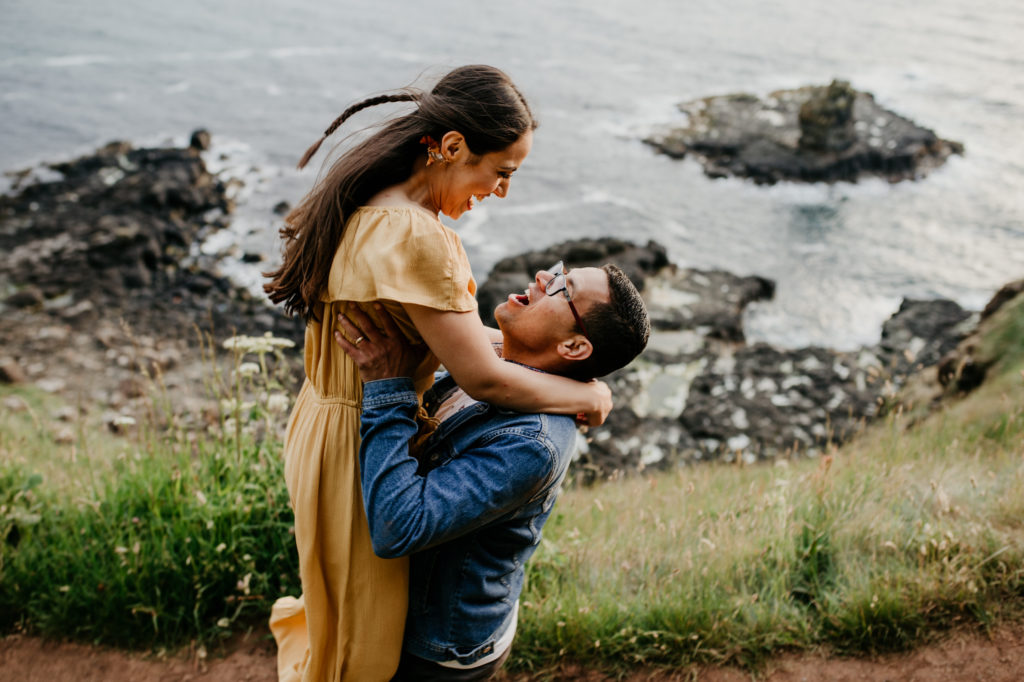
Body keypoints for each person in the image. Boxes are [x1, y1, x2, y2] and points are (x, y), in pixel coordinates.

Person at [264, 65, 613, 681]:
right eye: (501, 171)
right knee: (360, 643)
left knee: (339, 609)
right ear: (451, 147)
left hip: (320, 420)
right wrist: (587, 392)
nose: (502, 190)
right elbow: (485, 380)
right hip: (357, 442)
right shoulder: (420, 239)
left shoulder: (369, 202)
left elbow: (454, 339)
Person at [333, 262, 650, 679]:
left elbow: (399, 526)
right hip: (399, 604)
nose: (542, 276)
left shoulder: (532, 445)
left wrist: (386, 384)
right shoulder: (494, 362)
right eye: (560, 271)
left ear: (574, 349)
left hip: (437, 648)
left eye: (563, 287)